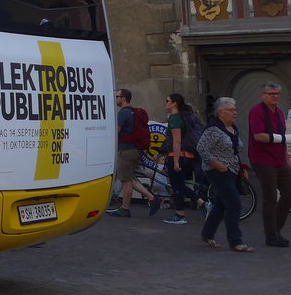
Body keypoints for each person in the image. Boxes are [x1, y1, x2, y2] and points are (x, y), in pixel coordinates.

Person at [197, 97, 253, 252]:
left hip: (232, 170)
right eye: (231, 110)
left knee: (221, 204)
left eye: (235, 109)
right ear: (220, 112)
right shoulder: (213, 129)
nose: (234, 112)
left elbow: (234, 151)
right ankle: (235, 241)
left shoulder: (232, 128)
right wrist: (216, 164)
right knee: (234, 204)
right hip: (217, 171)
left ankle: (207, 234)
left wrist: (241, 169)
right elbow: (201, 148)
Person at [247, 81, 290, 248]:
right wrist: (286, 139)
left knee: (288, 194)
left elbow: (279, 135)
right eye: (271, 94)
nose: (275, 97)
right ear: (263, 95)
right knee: (270, 197)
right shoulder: (257, 111)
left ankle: (275, 230)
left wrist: (286, 155)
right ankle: (271, 235)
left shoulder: (278, 112)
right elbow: (259, 136)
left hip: (280, 160)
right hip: (263, 160)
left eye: (277, 94)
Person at [107, 89, 158, 217]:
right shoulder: (133, 112)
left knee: (125, 181)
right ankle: (151, 198)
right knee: (129, 178)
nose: (115, 99)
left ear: (123, 98)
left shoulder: (123, 113)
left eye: (117, 96)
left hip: (126, 150)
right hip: (134, 149)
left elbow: (116, 132)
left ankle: (125, 209)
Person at [160, 93, 198, 225]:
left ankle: (180, 214)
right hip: (187, 155)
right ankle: (202, 203)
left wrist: (175, 161)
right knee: (179, 185)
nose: (165, 103)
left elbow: (177, 141)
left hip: (177, 155)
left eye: (167, 101)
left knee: (176, 186)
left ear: (174, 103)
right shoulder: (183, 117)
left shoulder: (175, 118)